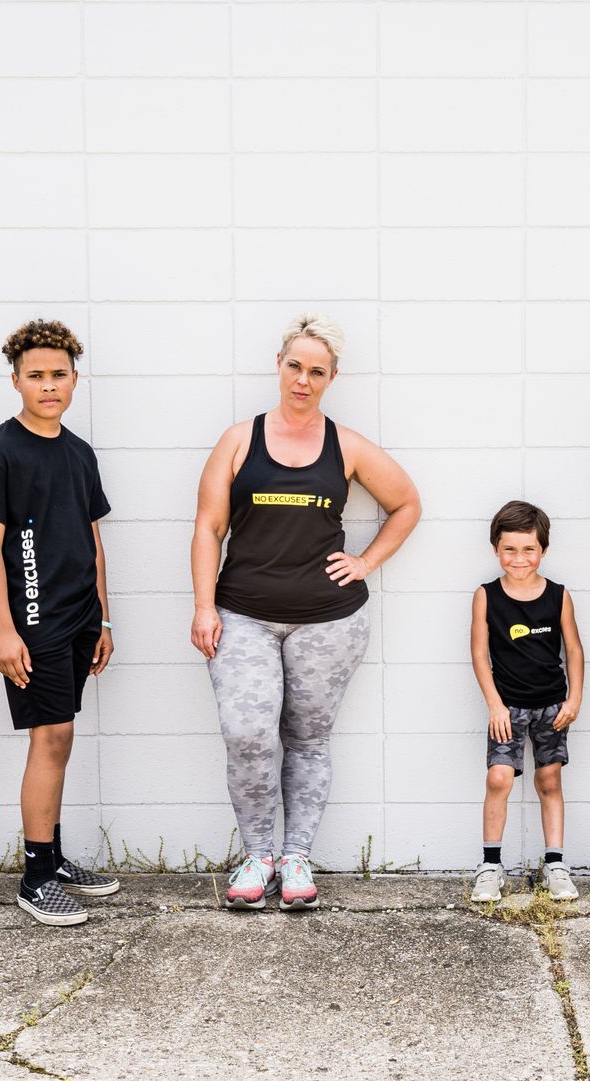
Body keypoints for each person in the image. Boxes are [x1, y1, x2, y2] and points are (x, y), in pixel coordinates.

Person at [191, 313, 421, 911]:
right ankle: (258, 855)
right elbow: (209, 527)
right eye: (295, 366)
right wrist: (203, 606)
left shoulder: (346, 445)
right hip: (242, 614)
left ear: (332, 377)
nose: (303, 379)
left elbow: (406, 503)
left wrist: (365, 562)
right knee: (247, 734)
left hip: (330, 619)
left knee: (308, 739)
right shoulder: (239, 439)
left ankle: (296, 858)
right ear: (280, 365)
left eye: (316, 371)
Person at [0, 319, 120, 926]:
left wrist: (103, 617)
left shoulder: (79, 452)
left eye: (59, 375)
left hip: (80, 617)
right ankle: (34, 876)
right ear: (16, 380)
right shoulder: (0, 452)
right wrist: (4, 629)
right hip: (33, 622)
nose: (48, 385)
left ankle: (51, 858)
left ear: (75, 380)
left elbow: (93, 539)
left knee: (61, 736)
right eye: (36, 375)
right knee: (49, 739)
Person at [469, 501, 585, 905]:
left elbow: (573, 649)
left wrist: (575, 697)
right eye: (510, 549)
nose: (519, 559)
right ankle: (490, 865)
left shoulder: (558, 595)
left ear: (543, 550)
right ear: (496, 550)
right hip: (509, 707)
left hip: (552, 706)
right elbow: (480, 655)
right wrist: (495, 705)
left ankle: (555, 864)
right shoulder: (486, 596)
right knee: (499, 778)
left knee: (549, 781)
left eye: (528, 549)